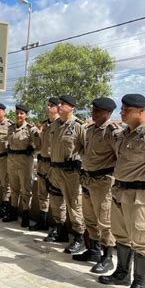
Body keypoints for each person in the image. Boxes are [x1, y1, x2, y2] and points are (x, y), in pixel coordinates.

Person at [99, 94, 145, 288]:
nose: (121, 112)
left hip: (141, 195)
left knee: (141, 241)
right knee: (121, 235)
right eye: (122, 109)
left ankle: (140, 285)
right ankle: (122, 273)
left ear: (141, 112)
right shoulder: (125, 134)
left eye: (126, 110)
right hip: (120, 192)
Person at [72, 97, 121, 274]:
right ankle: (93, 250)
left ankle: (107, 258)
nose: (93, 114)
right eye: (93, 110)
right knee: (90, 218)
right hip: (88, 180)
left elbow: (121, 156)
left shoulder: (113, 132)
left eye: (98, 111)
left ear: (108, 113)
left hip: (104, 183)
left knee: (105, 222)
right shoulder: (90, 130)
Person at [48, 94, 86, 253]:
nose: (60, 106)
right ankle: (61, 231)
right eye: (60, 103)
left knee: (74, 205)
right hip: (55, 170)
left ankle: (79, 238)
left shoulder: (79, 126)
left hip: (70, 173)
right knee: (56, 202)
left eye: (63, 104)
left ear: (72, 107)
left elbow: (87, 150)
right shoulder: (55, 124)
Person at [2, 104, 40, 227]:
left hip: (24, 163)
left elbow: (39, 145)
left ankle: (25, 215)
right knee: (13, 189)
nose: (19, 115)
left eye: (21, 113)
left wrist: (32, 150)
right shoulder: (11, 128)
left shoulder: (31, 129)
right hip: (12, 162)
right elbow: (8, 143)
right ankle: (13, 213)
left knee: (26, 190)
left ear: (26, 115)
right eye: (17, 113)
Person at [31, 97, 61, 233]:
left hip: (54, 165)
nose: (48, 108)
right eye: (48, 105)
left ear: (58, 108)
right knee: (42, 195)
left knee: (56, 197)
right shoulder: (45, 124)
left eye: (51, 106)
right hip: (42, 163)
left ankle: (57, 228)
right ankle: (42, 222)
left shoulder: (61, 124)